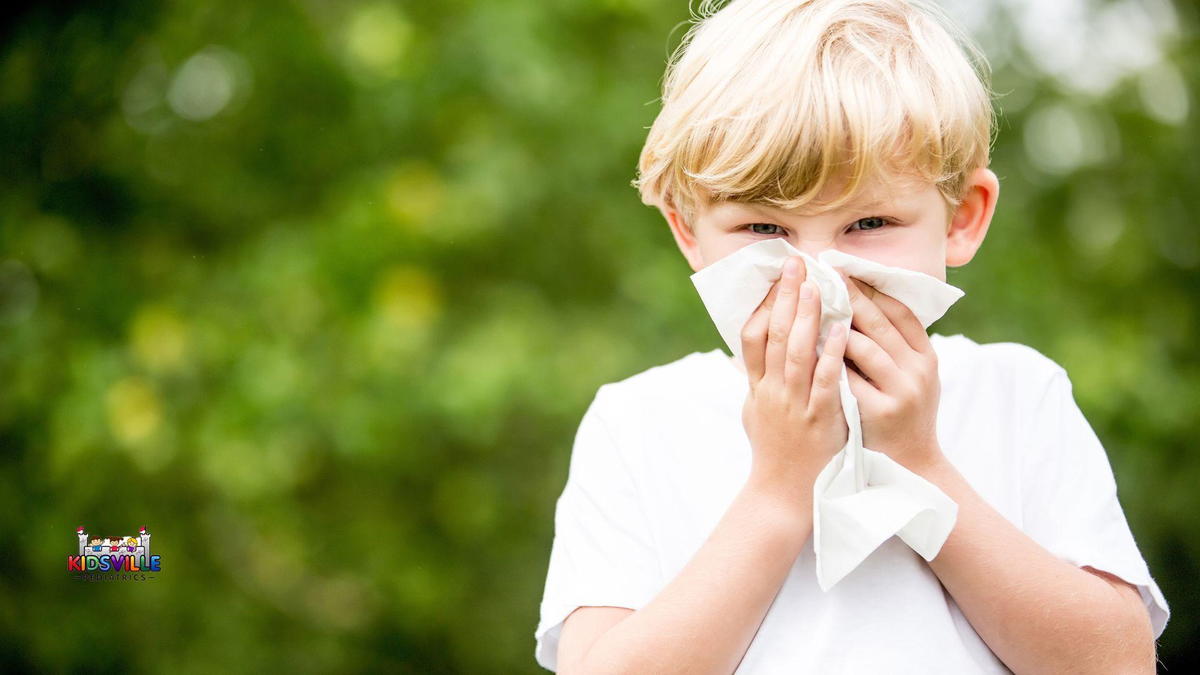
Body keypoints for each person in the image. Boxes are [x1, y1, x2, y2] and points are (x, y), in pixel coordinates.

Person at [533, 0, 1170, 673]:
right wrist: (778, 489)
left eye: (868, 224)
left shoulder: (1019, 395)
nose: (818, 273)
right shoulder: (640, 422)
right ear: (689, 232)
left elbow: (1116, 661)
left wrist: (919, 464)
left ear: (961, 219)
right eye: (765, 230)